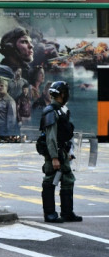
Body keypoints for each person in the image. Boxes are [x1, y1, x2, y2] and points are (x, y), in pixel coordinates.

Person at [37, 81, 82, 223]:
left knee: (68, 180)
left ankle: (67, 212)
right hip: (54, 154)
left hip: (63, 152)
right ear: (62, 94)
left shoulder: (61, 110)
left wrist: (69, 151)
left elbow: (65, 134)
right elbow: (51, 137)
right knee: (50, 180)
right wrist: (54, 157)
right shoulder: (51, 111)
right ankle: (49, 214)